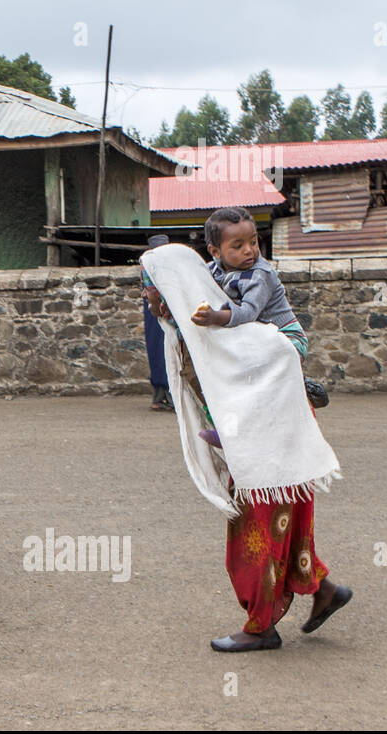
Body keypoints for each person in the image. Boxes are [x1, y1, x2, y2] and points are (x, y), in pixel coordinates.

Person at [141, 241, 351, 653]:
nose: (144, 295)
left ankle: (261, 627)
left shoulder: (231, 325)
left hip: (272, 446)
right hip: (278, 443)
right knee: (284, 528)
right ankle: (323, 590)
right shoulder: (194, 327)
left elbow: (277, 354)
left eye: (149, 287)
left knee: (253, 536)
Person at [187, 206, 327, 446]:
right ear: (215, 252)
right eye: (238, 246)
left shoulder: (259, 275)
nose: (249, 250)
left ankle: (297, 389)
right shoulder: (213, 270)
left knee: (252, 382)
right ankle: (226, 424)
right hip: (256, 339)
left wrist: (214, 317)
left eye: (253, 242)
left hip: (286, 337)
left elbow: (248, 312)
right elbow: (196, 281)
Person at [143, 235, 173, 412]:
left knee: (161, 352)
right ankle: (166, 396)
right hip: (159, 314)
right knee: (160, 352)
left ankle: (161, 396)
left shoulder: (149, 266)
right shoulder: (150, 267)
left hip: (159, 314)